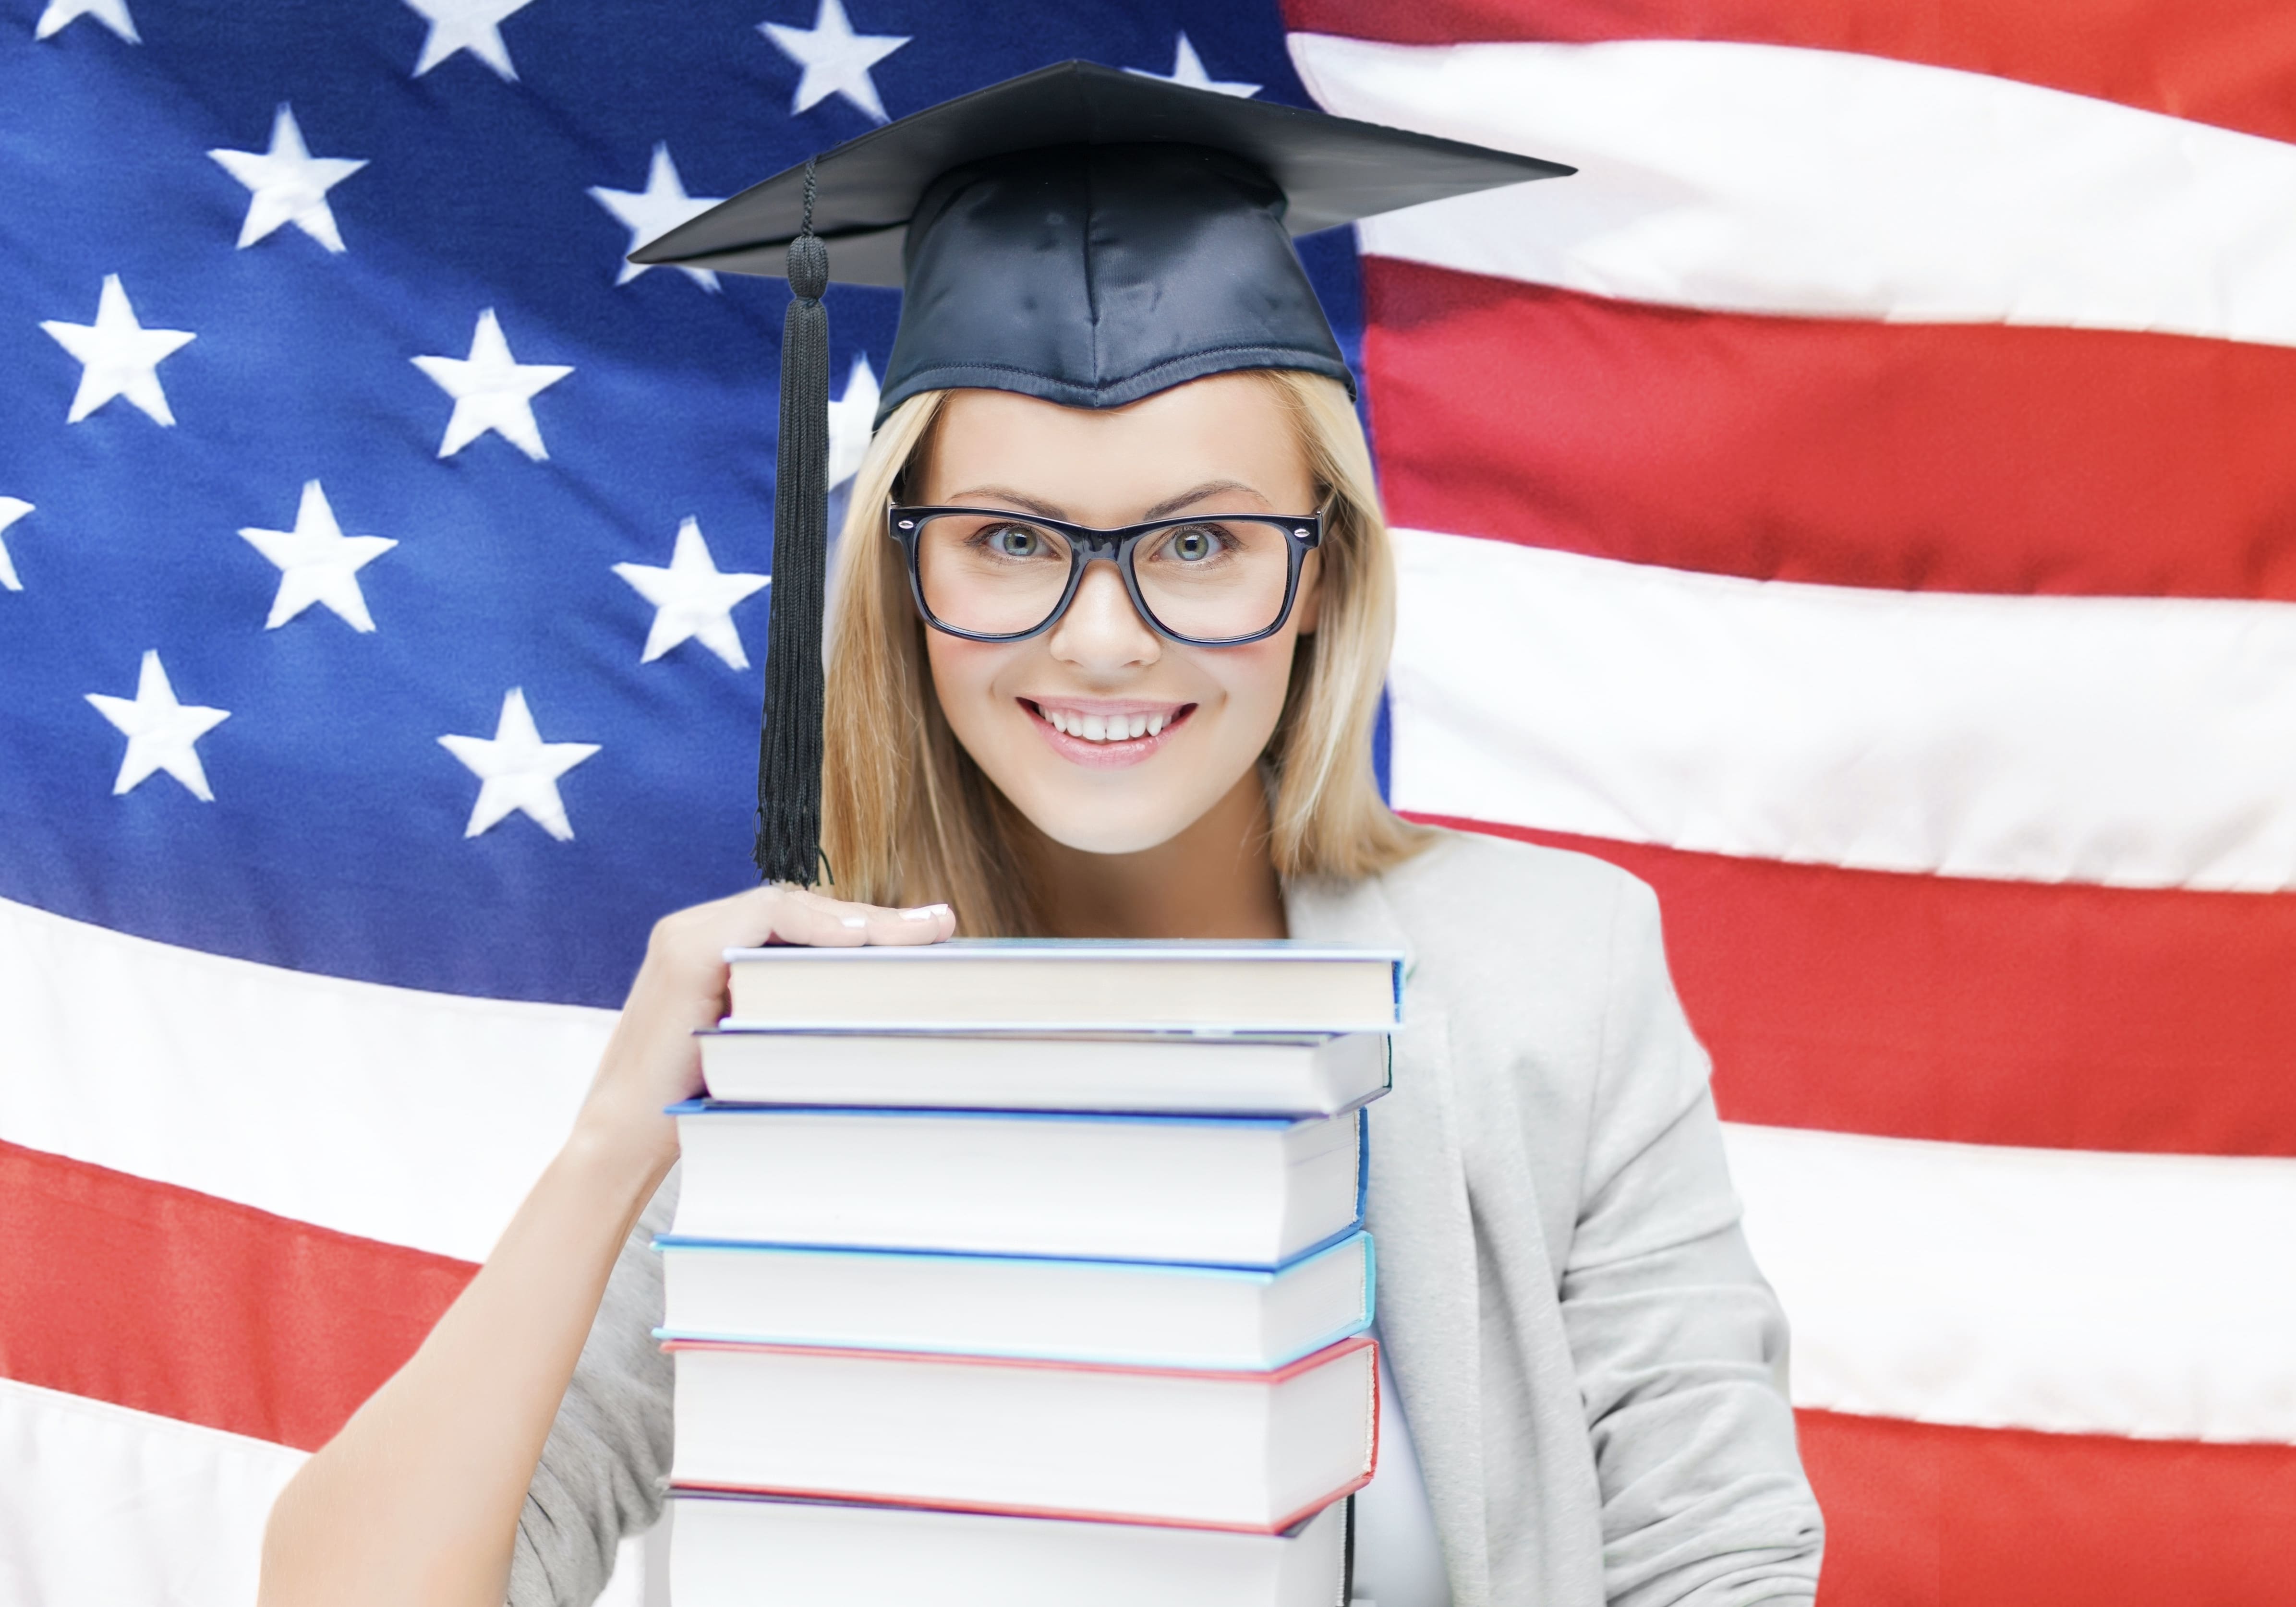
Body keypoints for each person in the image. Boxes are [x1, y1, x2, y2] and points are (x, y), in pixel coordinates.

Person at [258, 62, 1824, 1607]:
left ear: (1327, 578)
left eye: (1200, 542)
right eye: (1011, 540)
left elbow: (1716, 1565)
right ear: (900, 576)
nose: (1101, 639)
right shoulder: (799, 1046)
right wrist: (616, 1148)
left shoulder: (1555, 971)